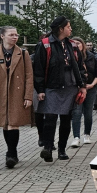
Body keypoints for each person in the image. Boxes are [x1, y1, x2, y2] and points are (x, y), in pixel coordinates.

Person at [34, 16, 87, 162]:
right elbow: (38, 69)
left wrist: (82, 86)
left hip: (70, 87)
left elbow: (80, 67)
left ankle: (62, 149)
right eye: (68, 26)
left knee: (66, 120)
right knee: (50, 118)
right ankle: (48, 148)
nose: (71, 29)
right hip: (52, 87)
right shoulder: (44, 45)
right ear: (60, 28)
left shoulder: (72, 45)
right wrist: (40, 90)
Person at [0, 27, 34, 168]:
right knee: (5, 123)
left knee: (13, 123)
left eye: (16, 34)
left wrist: (28, 96)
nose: (15, 37)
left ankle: (11, 153)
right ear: (2, 36)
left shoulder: (23, 53)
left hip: (17, 94)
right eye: (11, 34)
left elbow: (29, 76)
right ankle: (11, 152)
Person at [70, 37, 97, 147]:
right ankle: (76, 137)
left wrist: (92, 84)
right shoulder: (70, 56)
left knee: (88, 113)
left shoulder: (91, 57)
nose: (77, 45)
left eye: (78, 43)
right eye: (74, 43)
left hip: (90, 88)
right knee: (76, 113)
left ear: (83, 44)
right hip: (76, 88)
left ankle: (87, 134)